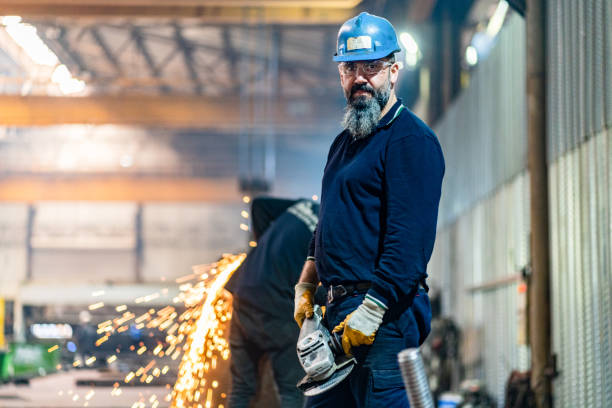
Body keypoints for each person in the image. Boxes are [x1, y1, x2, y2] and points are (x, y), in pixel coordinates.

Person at [293, 12, 445, 408]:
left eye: (371, 67)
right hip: (337, 319)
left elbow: (408, 244)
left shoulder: (411, 141)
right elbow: (328, 219)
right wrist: (307, 282)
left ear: (394, 71)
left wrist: (372, 311)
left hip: (385, 321)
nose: (360, 77)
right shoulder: (344, 143)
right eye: (349, 67)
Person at [226, 197, 320, 408]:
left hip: (243, 291)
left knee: (241, 388)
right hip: (276, 307)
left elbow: (259, 205)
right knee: (293, 389)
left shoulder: (305, 205)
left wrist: (264, 249)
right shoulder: (333, 230)